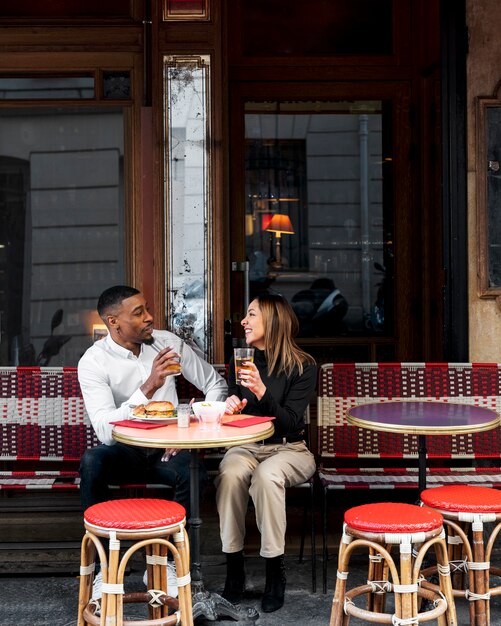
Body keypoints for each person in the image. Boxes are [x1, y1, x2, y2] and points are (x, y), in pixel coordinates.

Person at [78, 285, 227, 597]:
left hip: (167, 449)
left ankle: (165, 563)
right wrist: (147, 387)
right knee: (92, 461)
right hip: (122, 451)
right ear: (113, 322)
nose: (149, 317)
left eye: (146, 309)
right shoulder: (94, 361)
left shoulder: (166, 343)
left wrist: (190, 430)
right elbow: (105, 430)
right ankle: (105, 569)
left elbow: (215, 384)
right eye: (138, 313)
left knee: (194, 470)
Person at [215, 292, 317, 613]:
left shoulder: (303, 366)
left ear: (272, 321)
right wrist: (232, 404)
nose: (244, 321)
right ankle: (235, 570)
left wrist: (261, 390)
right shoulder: (242, 360)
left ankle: (275, 572)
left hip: (290, 449)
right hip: (246, 445)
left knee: (266, 475)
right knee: (230, 474)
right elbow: (237, 404)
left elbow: (288, 423)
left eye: (252, 315)